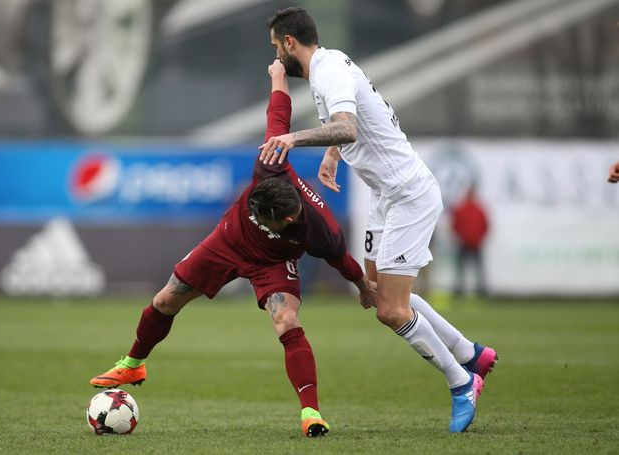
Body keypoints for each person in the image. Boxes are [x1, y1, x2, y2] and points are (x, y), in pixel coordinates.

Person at [90, 60, 376, 438]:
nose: (256, 212)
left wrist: (364, 286)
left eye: (263, 217)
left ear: (287, 221)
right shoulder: (270, 163)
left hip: (272, 262)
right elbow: (278, 114)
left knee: (288, 322)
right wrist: (277, 77)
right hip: (226, 241)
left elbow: (343, 261)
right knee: (164, 301)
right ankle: (134, 363)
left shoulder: (320, 229)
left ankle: (311, 412)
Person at [259, 7, 497, 433]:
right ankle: (470, 352)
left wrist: (294, 138)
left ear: (290, 43)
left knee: (390, 308)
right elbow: (361, 120)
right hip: (386, 196)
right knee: (375, 293)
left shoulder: (328, 71)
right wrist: (333, 154)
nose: (276, 57)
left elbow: (347, 127)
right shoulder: (330, 67)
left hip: (408, 193)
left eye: (277, 47)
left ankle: (462, 382)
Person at [451, 185, 489, 298]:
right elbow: (455, 225)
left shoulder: (476, 209)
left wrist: (479, 237)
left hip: (474, 243)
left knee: (475, 269)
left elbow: (485, 225)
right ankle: (461, 290)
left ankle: (480, 290)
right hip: (465, 242)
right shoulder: (468, 208)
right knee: (463, 269)